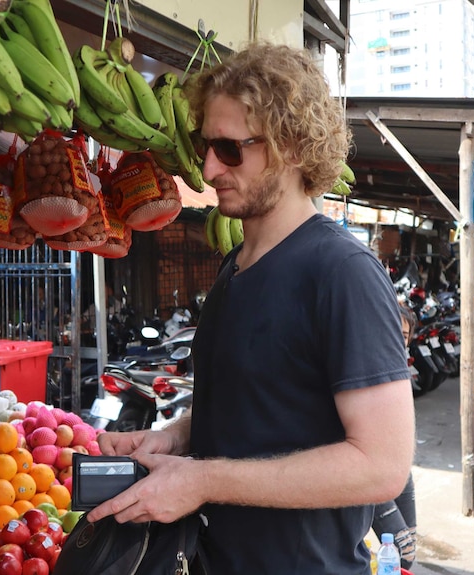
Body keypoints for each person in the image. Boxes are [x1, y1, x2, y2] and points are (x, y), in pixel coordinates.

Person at [86, 43, 415, 574]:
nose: (210, 166)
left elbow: (381, 466)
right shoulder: (235, 266)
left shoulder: (341, 272)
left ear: (289, 146)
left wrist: (204, 480)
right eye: (204, 145)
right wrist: (174, 437)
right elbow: (261, 409)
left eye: (230, 148)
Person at [371, 303, 418, 570]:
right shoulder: (365, 365)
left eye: (403, 335)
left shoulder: (401, 367)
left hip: (401, 470)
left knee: (408, 551)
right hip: (371, 472)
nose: (398, 340)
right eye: (393, 332)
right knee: (402, 548)